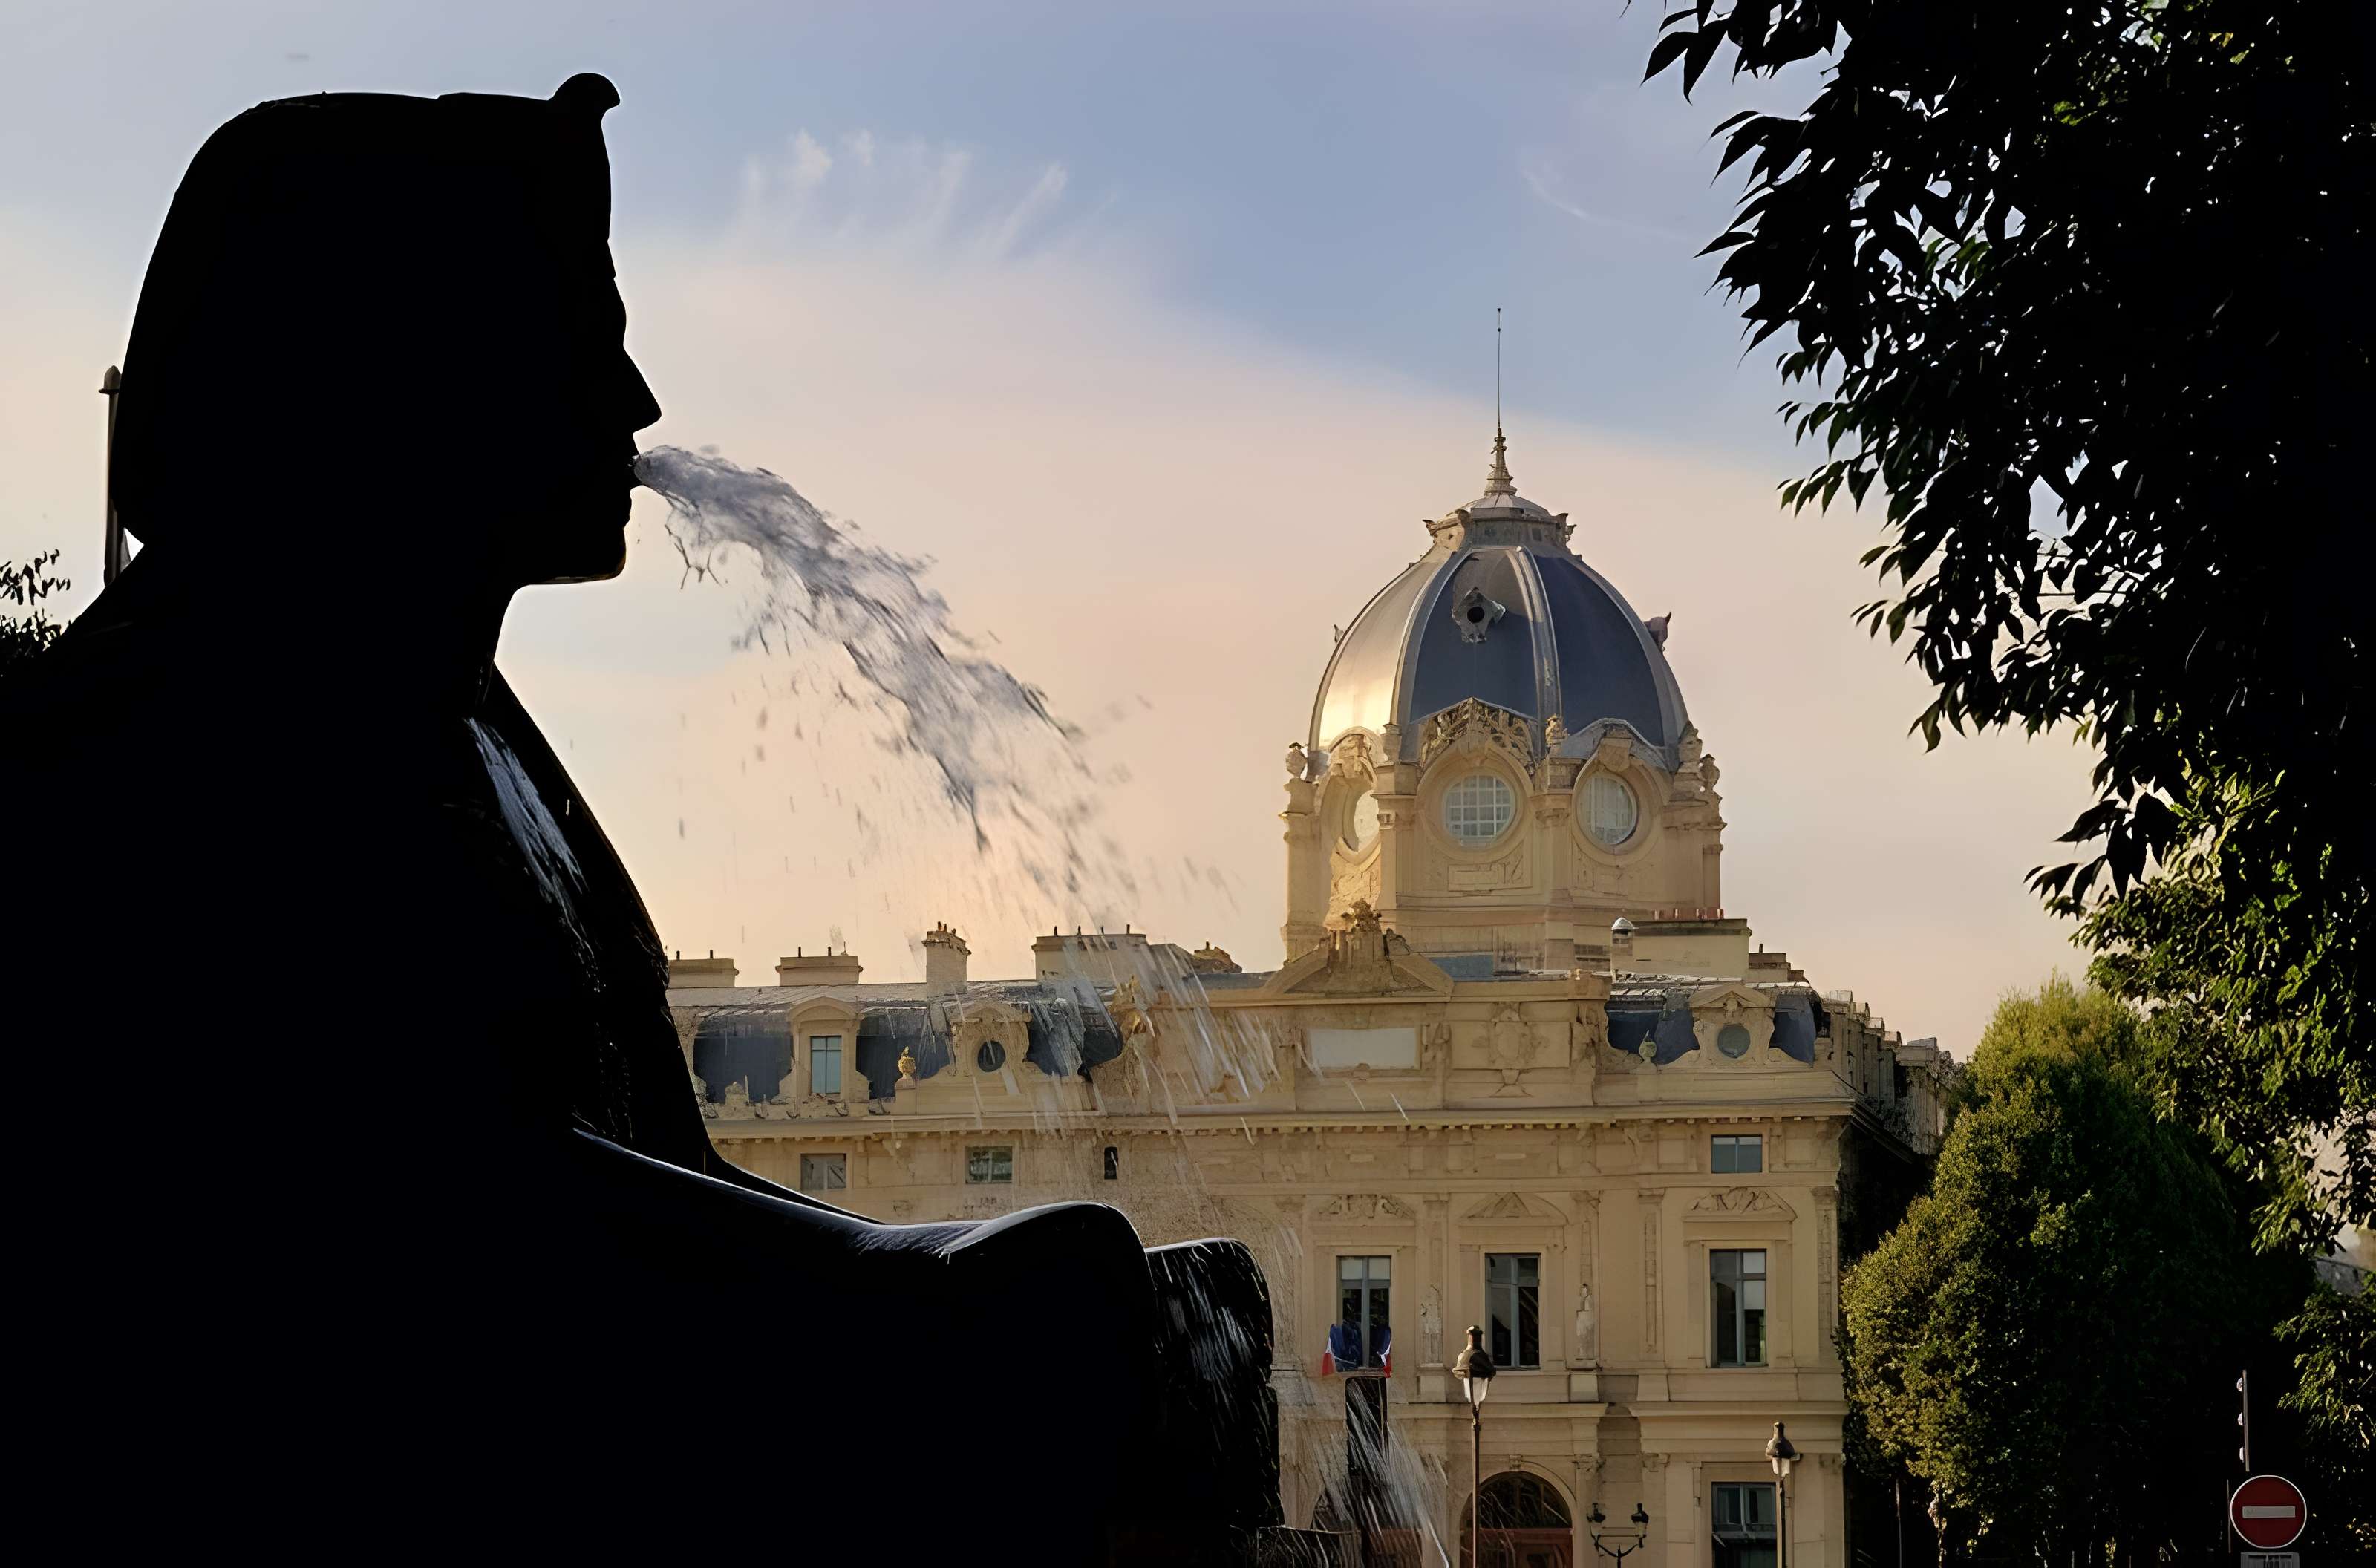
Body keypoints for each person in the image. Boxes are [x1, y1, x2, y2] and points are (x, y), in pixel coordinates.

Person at [0, 76, 1159, 1555]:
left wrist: (909, 1268)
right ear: (400, 357)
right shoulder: (192, 732)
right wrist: (902, 1289)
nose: (636, 404)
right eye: (584, 337)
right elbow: (421, 1219)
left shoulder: (455, 727)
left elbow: (639, 1167)